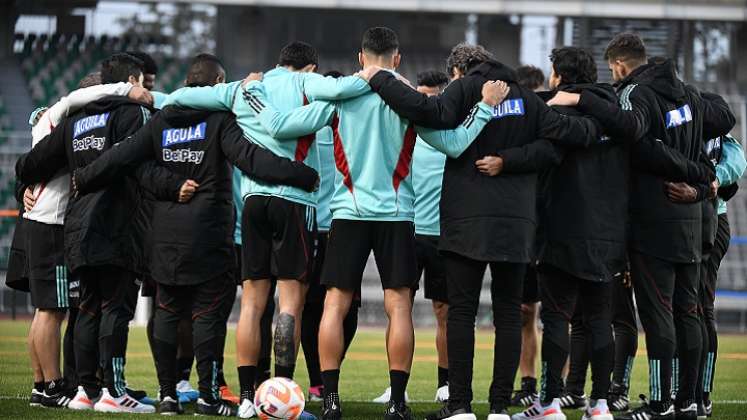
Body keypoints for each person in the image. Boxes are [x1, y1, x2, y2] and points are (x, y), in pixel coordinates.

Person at [241, 27, 508, 420]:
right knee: (398, 306)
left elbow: (282, 126)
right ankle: (398, 403)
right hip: (397, 214)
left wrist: (254, 91)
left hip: (347, 212)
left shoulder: (340, 98)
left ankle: (330, 400)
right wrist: (484, 107)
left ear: (360, 58)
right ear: (397, 59)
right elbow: (454, 144)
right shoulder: (410, 101)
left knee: (335, 303)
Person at [360, 39, 602, 420]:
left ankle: (459, 406)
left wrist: (379, 78)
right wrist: (511, 160)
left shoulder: (464, 89)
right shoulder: (528, 98)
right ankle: (500, 408)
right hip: (516, 224)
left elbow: (428, 110)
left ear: (458, 72)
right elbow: (562, 143)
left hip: (465, 220)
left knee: (461, 313)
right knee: (508, 314)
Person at [72, 52, 319, 417]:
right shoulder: (220, 120)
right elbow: (250, 158)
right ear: (219, 84)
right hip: (208, 236)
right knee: (208, 317)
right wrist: (299, 174)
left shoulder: (162, 120)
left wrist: (83, 177)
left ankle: (168, 395)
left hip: (165, 239)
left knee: (168, 314)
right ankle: (207, 396)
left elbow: (125, 156)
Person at [161, 40, 371, 419]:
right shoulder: (309, 84)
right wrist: (372, 73)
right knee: (289, 305)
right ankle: (282, 397)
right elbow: (344, 89)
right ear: (310, 67)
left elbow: (179, 98)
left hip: (253, 202)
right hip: (295, 202)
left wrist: (141, 93)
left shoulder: (243, 87)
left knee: (252, 304)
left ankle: (245, 399)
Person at [549, 35, 735, 420]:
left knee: (659, 314)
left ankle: (661, 402)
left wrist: (582, 100)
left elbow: (632, 131)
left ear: (618, 65)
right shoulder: (689, 96)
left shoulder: (638, 94)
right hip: (697, 218)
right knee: (692, 311)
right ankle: (691, 401)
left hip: (655, 220)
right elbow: (724, 120)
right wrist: (702, 180)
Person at [14, 53, 183, 414]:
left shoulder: (75, 123)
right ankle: (111, 391)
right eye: (141, 82)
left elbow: (29, 164)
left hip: (76, 226)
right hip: (118, 225)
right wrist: (175, 186)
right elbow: (138, 166)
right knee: (113, 310)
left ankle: (84, 390)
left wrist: (26, 184)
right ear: (132, 82)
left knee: (86, 310)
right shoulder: (133, 114)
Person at [371, 69, 451, 405]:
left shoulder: (451, 135)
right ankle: (396, 386)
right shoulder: (404, 133)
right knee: (398, 308)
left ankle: (446, 385)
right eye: (420, 96)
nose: (424, 102)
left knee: (445, 311)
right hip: (407, 231)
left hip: (445, 236)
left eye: (432, 96)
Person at [301, 70, 361, 404]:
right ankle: (320, 378)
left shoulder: (339, 128)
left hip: (332, 227)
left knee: (330, 308)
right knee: (330, 307)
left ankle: (323, 375)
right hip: (327, 227)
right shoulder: (317, 126)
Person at [510, 64, 546, 408]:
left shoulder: (552, 125)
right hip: (524, 232)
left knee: (558, 314)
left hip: (552, 232)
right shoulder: (515, 129)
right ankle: (527, 381)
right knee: (524, 312)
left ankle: (559, 385)